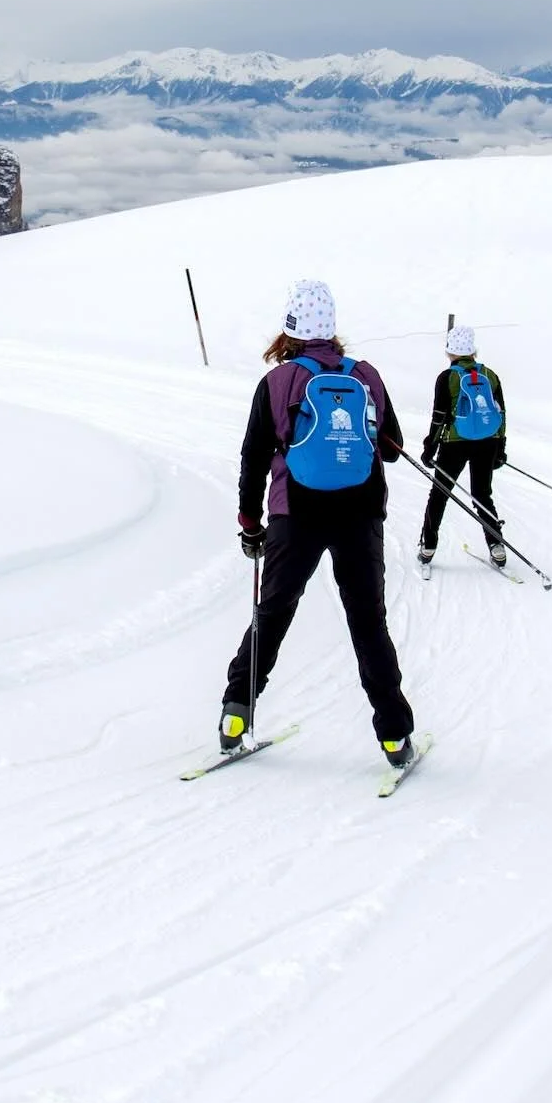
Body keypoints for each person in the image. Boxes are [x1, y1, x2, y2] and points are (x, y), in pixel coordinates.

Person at [221, 278, 419, 770]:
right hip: (359, 515)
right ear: (333, 328)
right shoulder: (365, 375)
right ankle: (394, 736)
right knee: (368, 621)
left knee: (273, 613)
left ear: (289, 328)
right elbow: (391, 449)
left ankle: (235, 717)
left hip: (296, 514)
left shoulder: (277, 382)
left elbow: (254, 458)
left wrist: (251, 523)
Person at [417, 324, 506, 571]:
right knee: (482, 494)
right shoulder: (490, 375)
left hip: (454, 444)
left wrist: (429, 447)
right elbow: (502, 412)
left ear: (449, 352)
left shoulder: (447, 378)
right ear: (473, 350)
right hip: (487, 441)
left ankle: (428, 546)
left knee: (440, 493)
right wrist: (501, 447)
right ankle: (496, 546)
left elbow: (439, 416)